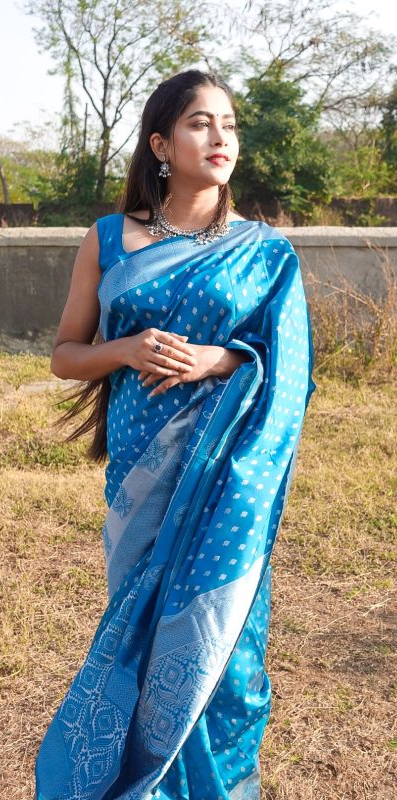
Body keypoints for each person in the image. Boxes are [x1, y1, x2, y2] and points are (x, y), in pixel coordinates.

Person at [34, 69, 316, 800]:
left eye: (229, 124)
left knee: (229, 661)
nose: (221, 137)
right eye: (200, 122)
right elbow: (65, 355)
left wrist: (222, 360)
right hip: (141, 476)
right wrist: (125, 350)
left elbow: (291, 368)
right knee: (141, 639)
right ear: (161, 145)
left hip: (228, 483)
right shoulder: (110, 239)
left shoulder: (265, 251)